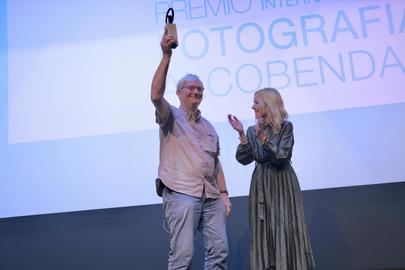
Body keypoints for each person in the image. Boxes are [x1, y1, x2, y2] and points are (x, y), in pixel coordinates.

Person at [151, 26, 232, 270]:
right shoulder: (170, 115)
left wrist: (225, 194)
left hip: (212, 196)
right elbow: (155, 96)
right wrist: (166, 56)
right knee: (183, 256)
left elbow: (215, 163)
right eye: (191, 87)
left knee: (219, 253)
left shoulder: (208, 125)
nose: (196, 91)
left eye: (200, 89)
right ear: (179, 93)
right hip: (181, 193)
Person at [228, 88, 315, 270]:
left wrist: (263, 139)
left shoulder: (285, 127)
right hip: (261, 184)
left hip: (282, 182)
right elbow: (243, 159)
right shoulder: (252, 130)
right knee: (263, 230)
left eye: (256, 102)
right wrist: (243, 134)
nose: (253, 107)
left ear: (268, 104)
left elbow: (281, 156)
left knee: (285, 227)